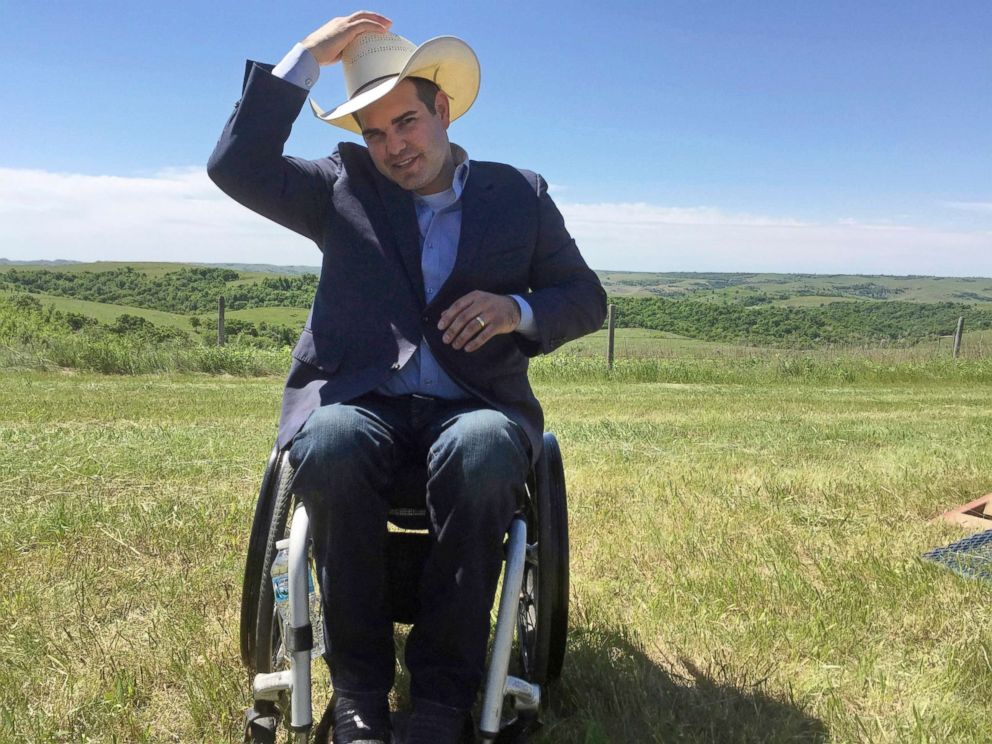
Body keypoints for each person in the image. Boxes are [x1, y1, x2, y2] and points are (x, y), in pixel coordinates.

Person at [207, 11, 606, 744]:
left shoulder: (520, 193)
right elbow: (236, 167)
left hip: (473, 406)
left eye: (406, 123)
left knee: (486, 451)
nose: (393, 147)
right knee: (327, 443)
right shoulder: (341, 186)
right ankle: (358, 691)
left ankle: (440, 699)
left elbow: (585, 298)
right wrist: (305, 59)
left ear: (442, 110)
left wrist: (515, 309)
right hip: (364, 404)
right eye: (375, 133)